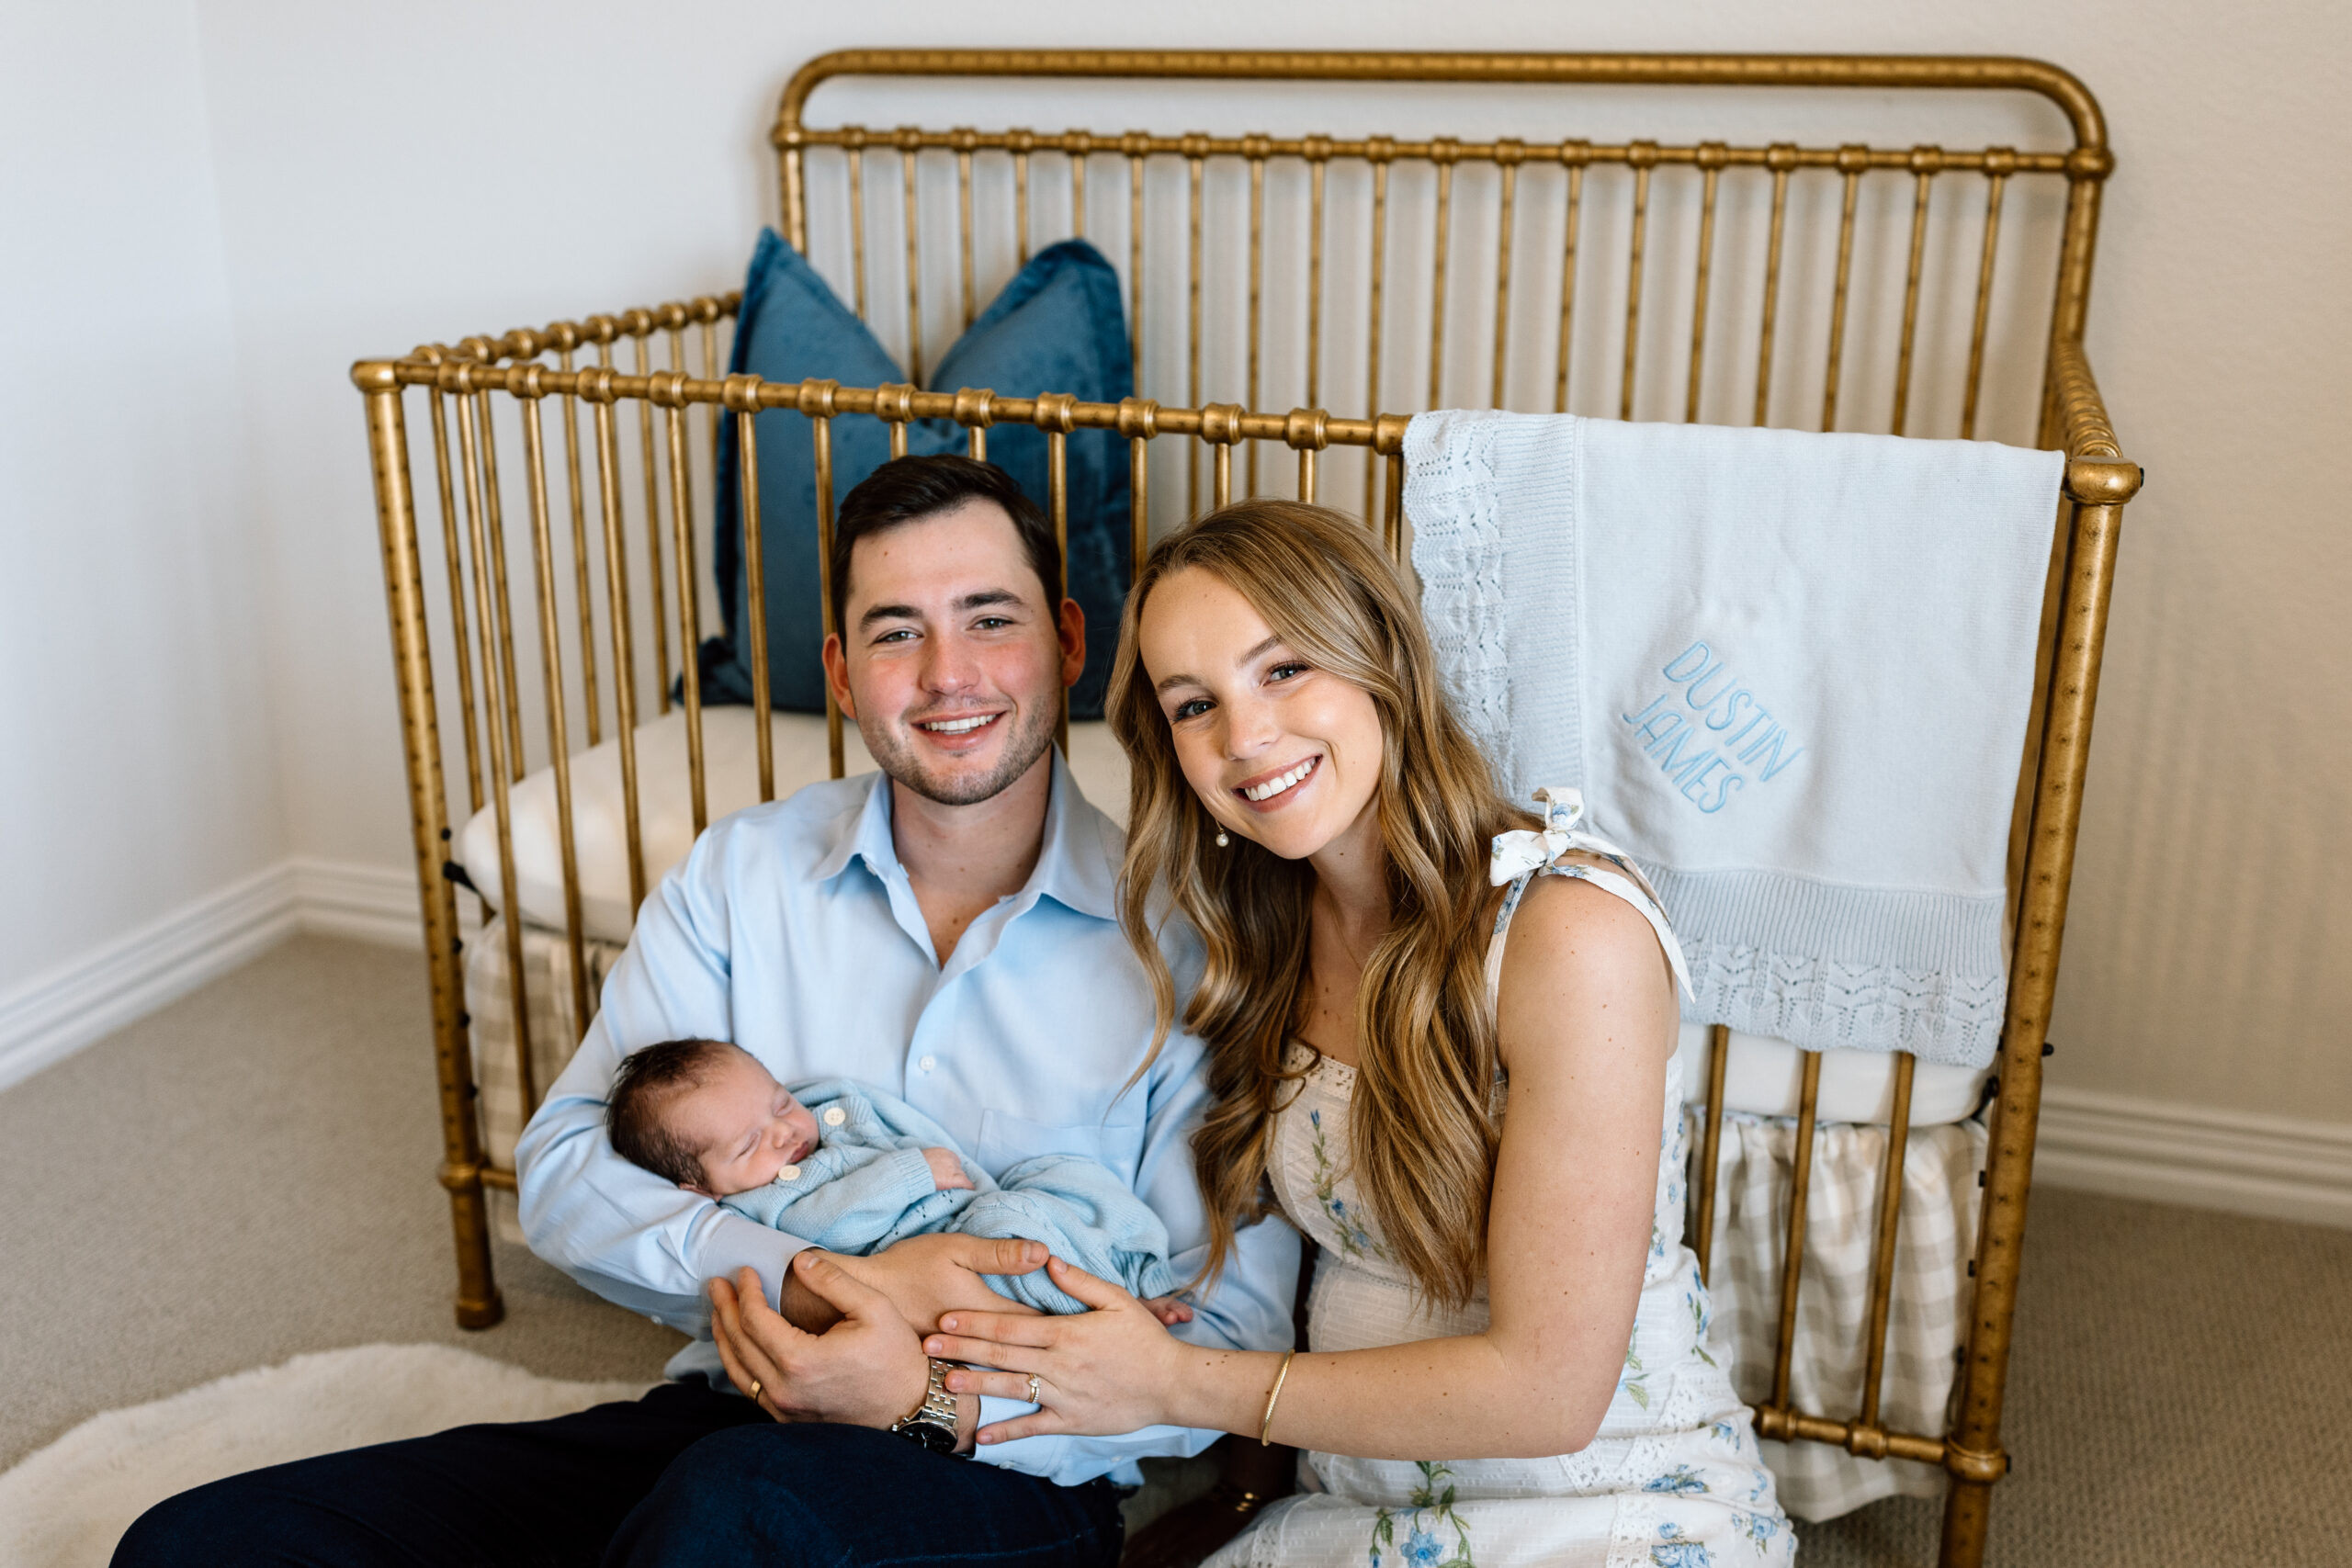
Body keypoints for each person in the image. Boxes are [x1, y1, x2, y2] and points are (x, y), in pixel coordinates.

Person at [112, 456, 1300, 1568]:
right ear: (842, 672)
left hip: (1009, 1469)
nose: (949, 673)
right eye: (897, 631)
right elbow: (568, 1168)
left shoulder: (1192, 941)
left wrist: (923, 1393)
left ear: (1069, 642)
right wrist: (814, 1279)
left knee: (730, 1516)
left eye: (990, 618)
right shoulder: (743, 874)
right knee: (206, 1542)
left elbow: (1225, 1337)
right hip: (730, 1408)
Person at [915, 502, 1796, 1567]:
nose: (1244, 738)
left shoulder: (1567, 933)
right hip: (1358, 1508)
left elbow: (1551, 1394)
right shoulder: (1259, 930)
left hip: (1602, 1500)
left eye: (1283, 669)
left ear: (1382, 660)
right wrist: (1241, 1493)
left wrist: (1170, 1382)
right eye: (1194, 704)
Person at [603, 1036, 1199, 1320]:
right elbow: (829, 1221)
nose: (783, 1131)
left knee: (1066, 1174)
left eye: (780, 1102)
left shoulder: (826, 1106)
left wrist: (954, 1167)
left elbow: (906, 1125)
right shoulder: (765, 1204)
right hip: (945, 1254)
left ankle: (1140, 1268)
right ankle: (1114, 1313)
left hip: (972, 1195)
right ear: (702, 1187)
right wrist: (915, 1173)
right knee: (1015, 1231)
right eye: (750, 1143)